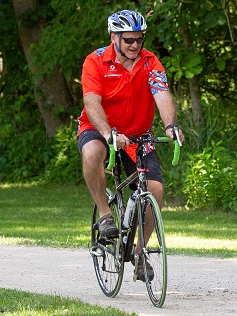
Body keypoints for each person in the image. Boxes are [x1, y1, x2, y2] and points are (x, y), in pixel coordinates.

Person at [77, 10, 183, 278]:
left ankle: (139, 253)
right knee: (92, 153)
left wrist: (170, 126)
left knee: (155, 190)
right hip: (99, 127)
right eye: (128, 40)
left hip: (137, 135)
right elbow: (92, 102)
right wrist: (108, 132)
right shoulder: (96, 61)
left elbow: (162, 94)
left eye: (139, 39)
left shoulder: (150, 62)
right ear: (114, 37)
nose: (135, 45)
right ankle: (104, 213)